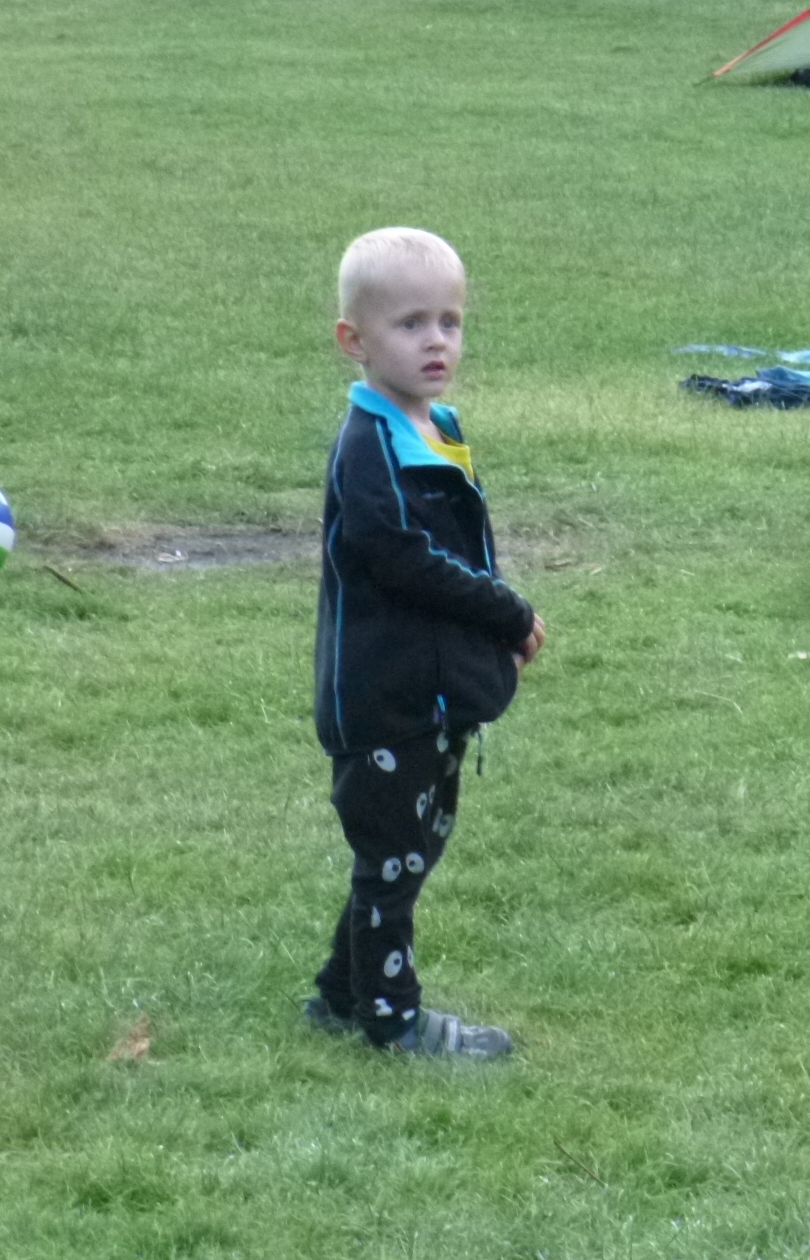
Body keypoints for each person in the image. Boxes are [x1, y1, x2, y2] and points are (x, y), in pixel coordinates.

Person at [304, 227, 544, 1058]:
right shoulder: (369, 445)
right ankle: (393, 1021)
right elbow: (404, 559)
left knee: (411, 847)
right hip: (384, 698)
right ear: (355, 341)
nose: (436, 340)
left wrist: (486, 649)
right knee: (394, 859)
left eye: (449, 321)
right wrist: (507, 613)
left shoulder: (434, 424)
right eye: (410, 324)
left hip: (431, 691)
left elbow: (462, 551)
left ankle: (341, 995)